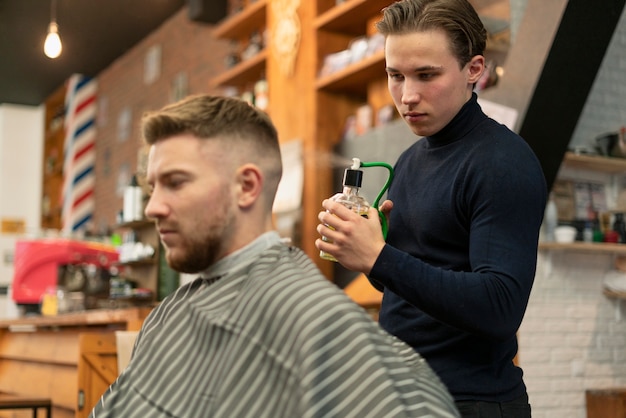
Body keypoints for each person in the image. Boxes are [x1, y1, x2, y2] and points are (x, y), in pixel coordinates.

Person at [90, 94, 460, 417]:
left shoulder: (318, 326)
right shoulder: (166, 316)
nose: (153, 207)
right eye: (153, 188)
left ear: (247, 186)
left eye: (175, 183)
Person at [315, 1, 548, 417]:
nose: (407, 96)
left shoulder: (501, 161)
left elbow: (499, 307)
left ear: (474, 69)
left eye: (426, 75)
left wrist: (380, 257)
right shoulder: (409, 160)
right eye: (395, 75)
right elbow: (411, 291)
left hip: (470, 403)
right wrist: (366, 250)